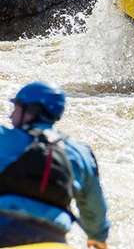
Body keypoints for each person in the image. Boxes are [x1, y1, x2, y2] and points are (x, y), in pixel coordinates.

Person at [0, 81, 110, 248]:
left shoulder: (4, 138)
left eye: (16, 108)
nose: (11, 115)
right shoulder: (81, 153)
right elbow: (94, 209)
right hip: (54, 240)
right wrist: (97, 237)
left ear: (30, 112)